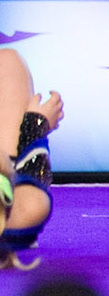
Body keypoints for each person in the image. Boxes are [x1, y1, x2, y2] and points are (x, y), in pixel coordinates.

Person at [0, 50, 60, 269]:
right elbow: (31, 202)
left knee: (8, 63)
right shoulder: (27, 207)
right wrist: (35, 127)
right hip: (13, 195)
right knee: (8, 64)